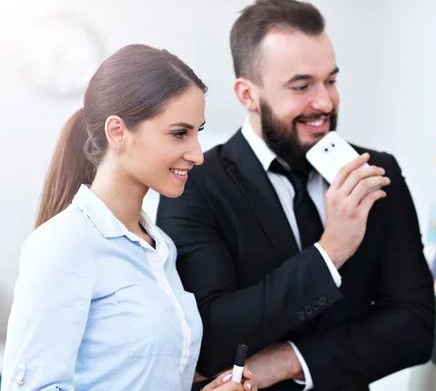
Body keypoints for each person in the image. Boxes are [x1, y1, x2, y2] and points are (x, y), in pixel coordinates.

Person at [156, 0, 435, 391]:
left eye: (331, 81)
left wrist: (288, 360)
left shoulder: (375, 174)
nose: (325, 102)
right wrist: (331, 253)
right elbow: (211, 337)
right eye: (301, 86)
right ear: (247, 95)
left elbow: (414, 327)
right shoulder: (197, 183)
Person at [1, 44, 254, 391]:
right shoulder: (65, 244)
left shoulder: (160, 248)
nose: (197, 154)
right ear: (118, 132)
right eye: (180, 133)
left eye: (198, 132)